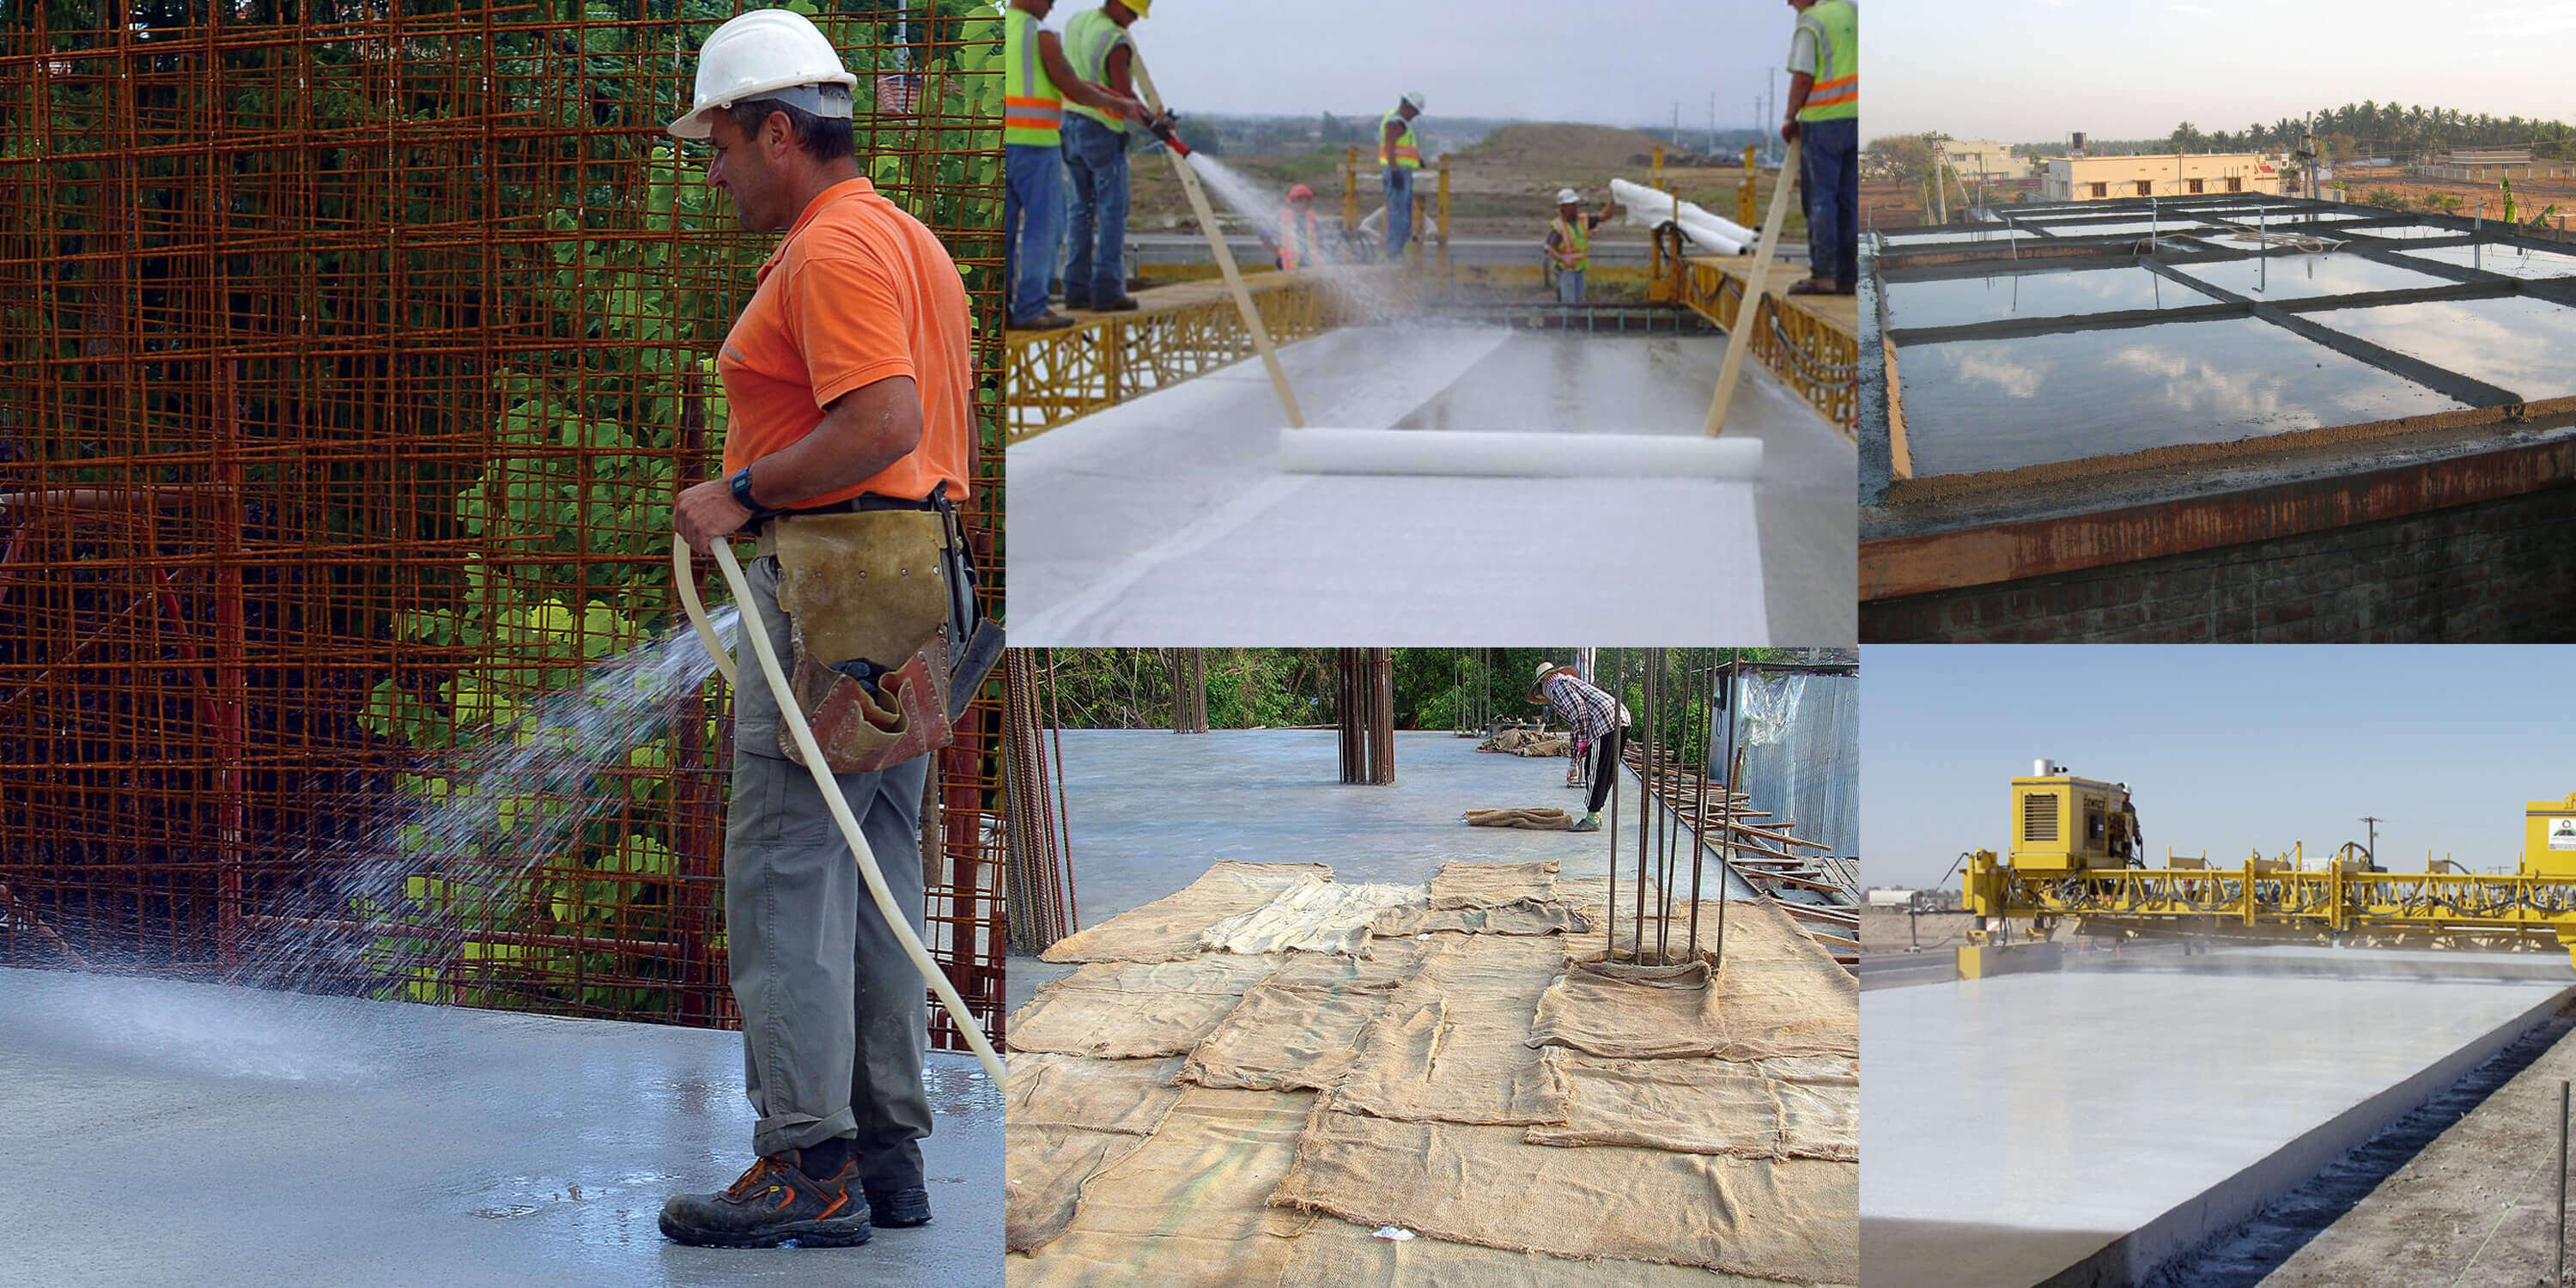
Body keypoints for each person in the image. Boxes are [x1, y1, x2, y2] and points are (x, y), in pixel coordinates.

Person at [658, 7, 977, 1251]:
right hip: (909, 579)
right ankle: (887, 1156)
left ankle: (806, 1160)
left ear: (777, 129)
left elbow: (882, 420)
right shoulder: (911, 243)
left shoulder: (833, 252)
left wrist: (737, 494)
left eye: (720, 144)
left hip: (842, 582)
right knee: (879, 871)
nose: (716, 168)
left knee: (792, 870)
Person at [1005, 0, 1145, 330]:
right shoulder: (1039, 33)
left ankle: (1004, 310)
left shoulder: (1001, 27)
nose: (1052, 6)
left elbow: (1071, 78)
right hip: (1035, 144)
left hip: (1003, 142)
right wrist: (1119, 104)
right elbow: (1071, 84)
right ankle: (1032, 309)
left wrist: (1107, 96)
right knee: (1046, 227)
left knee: (1007, 229)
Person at [1060, 0, 1150, 312]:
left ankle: (1075, 289)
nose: (1132, 22)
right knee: (1112, 212)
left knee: (1080, 212)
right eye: (1132, 13)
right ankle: (1107, 291)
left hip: (1069, 126)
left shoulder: (1077, 22)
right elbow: (1124, 98)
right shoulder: (1115, 41)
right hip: (1101, 132)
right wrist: (1155, 121)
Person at [1782, 0, 1857, 295]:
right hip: (1858, 119)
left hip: (1824, 119)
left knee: (1820, 199)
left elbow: (1803, 77)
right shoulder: (1853, 10)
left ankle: (1824, 275)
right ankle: (1848, 276)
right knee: (1849, 199)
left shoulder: (1812, 21)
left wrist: (1790, 117)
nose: (1790, 4)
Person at [1528, 661, 1631, 834]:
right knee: (1604, 771)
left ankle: (1592, 818)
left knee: (1595, 771)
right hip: (1620, 718)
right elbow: (1576, 726)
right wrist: (1574, 761)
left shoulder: (1557, 686)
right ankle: (1595, 815)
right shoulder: (1567, 682)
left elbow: (1580, 715)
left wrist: (1583, 744)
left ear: (1543, 683)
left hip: (1605, 721)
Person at [1544, 186, 1616, 303]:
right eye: (1571, 205)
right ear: (1563, 207)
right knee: (1569, 305)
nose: (1574, 208)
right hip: (1566, 272)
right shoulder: (1559, 227)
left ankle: (1576, 321)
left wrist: (1613, 200)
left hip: (1579, 270)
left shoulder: (1583, 220)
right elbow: (1550, 248)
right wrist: (1563, 258)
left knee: (1579, 304)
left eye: (1575, 204)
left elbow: (1604, 216)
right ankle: (1566, 321)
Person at [1380, 91, 1426, 259]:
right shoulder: (1396, 123)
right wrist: (1394, 171)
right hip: (1397, 171)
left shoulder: (1397, 119)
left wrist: (1418, 158)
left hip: (1400, 169)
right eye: (1414, 112)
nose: (1414, 116)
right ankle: (1394, 252)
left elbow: (1402, 146)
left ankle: (1396, 250)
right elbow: (1390, 146)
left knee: (1403, 214)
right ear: (1407, 107)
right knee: (1399, 214)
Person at [1275, 184, 1320, 271]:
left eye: (1306, 200)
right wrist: (1281, 253)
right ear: (1292, 201)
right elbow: (1267, 239)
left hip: (1309, 266)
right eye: (1299, 200)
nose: (1302, 203)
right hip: (1288, 267)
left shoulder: (1311, 219)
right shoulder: (1282, 218)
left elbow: (1320, 240)